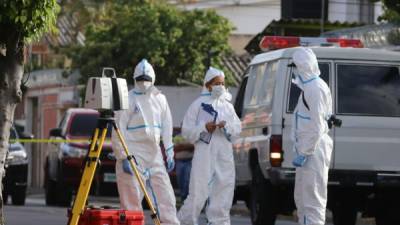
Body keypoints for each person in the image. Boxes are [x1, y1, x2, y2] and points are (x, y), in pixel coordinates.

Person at [111, 59, 180, 225]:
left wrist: (169, 152)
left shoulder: (160, 99)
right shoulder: (126, 99)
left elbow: (167, 126)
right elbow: (118, 129)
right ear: (135, 79)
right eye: (140, 79)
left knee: (166, 196)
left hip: (154, 153)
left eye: (146, 79)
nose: (144, 83)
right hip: (133, 153)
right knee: (131, 200)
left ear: (153, 79)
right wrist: (123, 156)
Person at [177, 67, 242, 225]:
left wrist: (225, 127)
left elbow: (237, 129)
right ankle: (184, 222)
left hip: (224, 155)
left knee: (223, 192)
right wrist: (204, 128)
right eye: (217, 83)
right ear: (208, 85)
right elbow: (186, 130)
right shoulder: (197, 105)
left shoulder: (228, 106)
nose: (220, 86)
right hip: (204, 154)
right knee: (198, 193)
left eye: (222, 83)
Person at [290, 47, 333, 225]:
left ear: (303, 66)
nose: (294, 70)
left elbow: (317, 125)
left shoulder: (314, 88)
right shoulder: (310, 87)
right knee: (302, 198)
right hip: (308, 150)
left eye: (296, 66)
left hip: (312, 151)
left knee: (312, 201)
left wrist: (305, 151)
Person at [173, 130, 194, 202]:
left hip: (189, 161)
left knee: (187, 180)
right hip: (179, 161)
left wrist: (181, 146)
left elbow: (193, 147)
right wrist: (187, 146)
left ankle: (186, 197)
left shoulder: (192, 136)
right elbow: (175, 148)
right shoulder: (177, 136)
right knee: (180, 180)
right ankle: (183, 197)